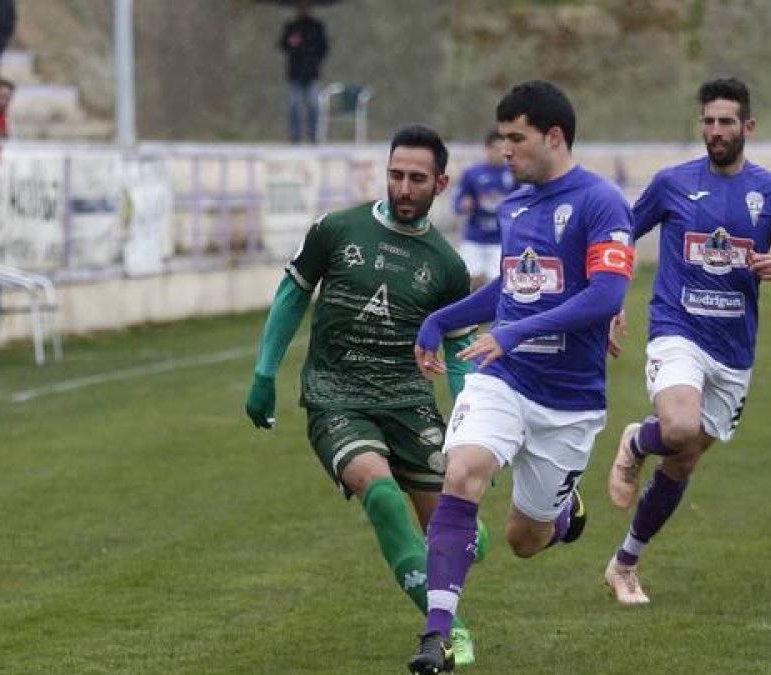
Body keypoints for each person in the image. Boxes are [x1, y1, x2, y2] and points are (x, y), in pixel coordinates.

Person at [407, 80, 635, 674]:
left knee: (523, 540)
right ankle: (437, 637)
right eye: (502, 137)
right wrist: (440, 319)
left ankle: (562, 512)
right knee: (462, 472)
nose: (504, 150)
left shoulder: (601, 202)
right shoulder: (515, 206)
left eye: (516, 137)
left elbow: (606, 292)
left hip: (570, 401)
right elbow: (515, 289)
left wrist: (513, 331)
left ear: (553, 137)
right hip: (504, 378)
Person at [245, 124, 483, 667]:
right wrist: (264, 375)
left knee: (449, 526)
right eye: (395, 174)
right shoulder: (337, 229)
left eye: (416, 178)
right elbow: (291, 296)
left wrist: (468, 431)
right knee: (379, 494)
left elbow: (461, 348)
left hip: (409, 404)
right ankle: (446, 631)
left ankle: (457, 559)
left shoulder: (446, 265)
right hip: (336, 397)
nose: (403, 187)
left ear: (440, 184)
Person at [603, 77, 771, 606]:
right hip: (675, 329)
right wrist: (610, 298)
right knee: (677, 427)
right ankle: (636, 442)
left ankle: (624, 564)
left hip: (734, 351)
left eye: (727, 122)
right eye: (709, 121)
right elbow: (619, 236)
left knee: (682, 460)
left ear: (747, 127)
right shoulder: (672, 183)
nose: (716, 131)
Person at [452, 131, 514, 289]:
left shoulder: (513, 173)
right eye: (495, 148)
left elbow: (523, 201)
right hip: (475, 238)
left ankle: (493, 314)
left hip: (500, 240)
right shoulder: (472, 173)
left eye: (502, 149)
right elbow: (457, 202)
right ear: (487, 149)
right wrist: (463, 204)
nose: (499, 153)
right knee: (469, 281)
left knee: (498, 285)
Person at [277, 0, 327, 144]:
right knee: (294, 105)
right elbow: (282, 45)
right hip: (295, 72)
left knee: (314, 105)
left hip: (312, 73)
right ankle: (295, 137)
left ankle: (314, 136)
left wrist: (315, 60)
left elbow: (323, 47)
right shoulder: (291, 26)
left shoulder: (317, 27)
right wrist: (290, 42)